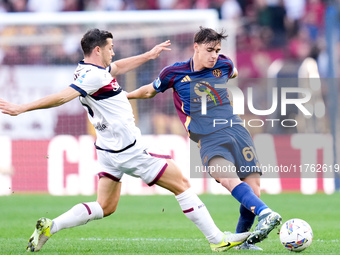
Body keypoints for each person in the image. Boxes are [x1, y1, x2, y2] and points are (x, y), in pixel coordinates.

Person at [0, 28, 250, 253]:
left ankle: (51, 227)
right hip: (129, 148)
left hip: (107, 149)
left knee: (105, 206)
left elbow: (116, 68)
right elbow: (62, 97)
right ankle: (217, 239)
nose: (113, 51)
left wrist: (148, 55)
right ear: (98, 50)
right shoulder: (92, 78)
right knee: (182, 184)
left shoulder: (89, 69)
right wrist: (22, 108)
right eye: (110, 48)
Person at [127, 26, 282, 250]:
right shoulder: (174, 73)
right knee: (229, 180)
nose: (214, 55)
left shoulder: (224, 64)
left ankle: (242, 242)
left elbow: (234, 72)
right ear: (196, 47)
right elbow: (150, 90)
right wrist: (124, 96)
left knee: (253, 188)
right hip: (208, 137)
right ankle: (266, 213)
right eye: (210, 50)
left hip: (237, 130)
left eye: (217, 50)